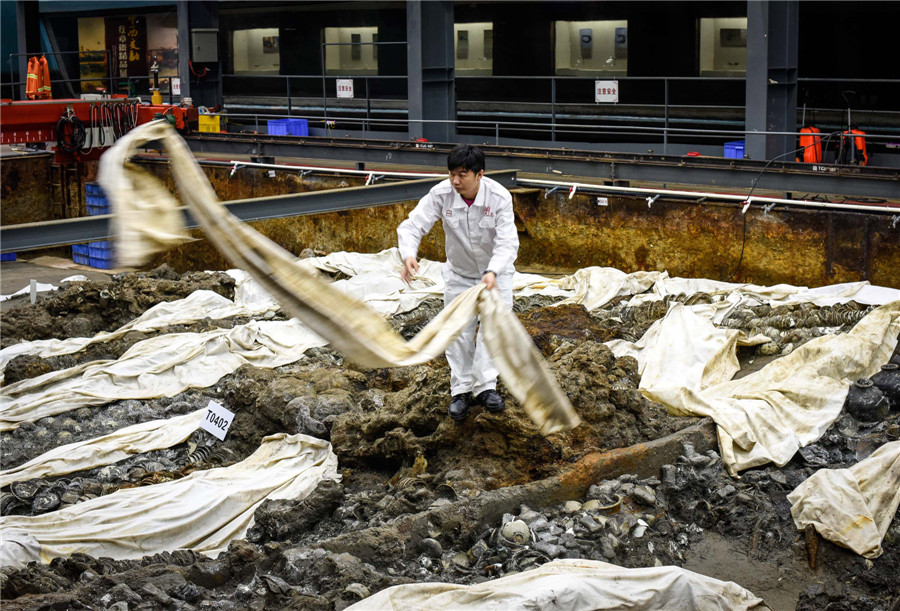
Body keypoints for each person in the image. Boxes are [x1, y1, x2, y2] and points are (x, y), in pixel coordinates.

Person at [397, 144, 519, 420]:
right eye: (452, 173)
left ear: (480, 174)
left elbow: (507, 242)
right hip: (459, 274)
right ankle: (461, 390)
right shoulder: (441, 194)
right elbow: (413, 224)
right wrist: (408, 254)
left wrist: (493, 270)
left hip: (496, 275)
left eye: (462, 175)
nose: (455, 181)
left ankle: (486, 387)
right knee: (457, 330)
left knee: (494, 328)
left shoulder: (499, 197)